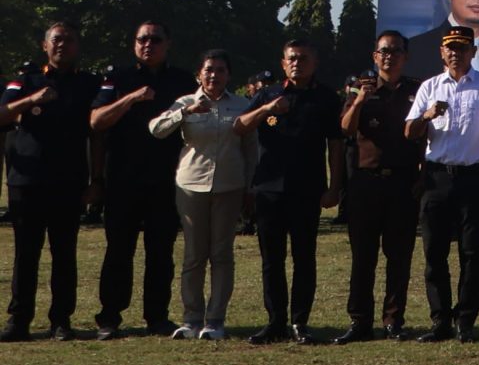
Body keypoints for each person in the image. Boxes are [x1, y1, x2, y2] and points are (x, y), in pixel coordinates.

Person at [1, 21, 102, 341]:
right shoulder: (25, 80)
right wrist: (31, 101)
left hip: (68, 182)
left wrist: (96, 179)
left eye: (69, 40)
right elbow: (2, 113)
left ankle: (61, 321)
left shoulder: (89, 84)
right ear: (45, 46)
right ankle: (19, 322)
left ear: (78, 46)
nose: (62, 45)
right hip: (27, 182)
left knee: (64, 253)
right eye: (56, 40)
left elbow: (98, 134)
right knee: (26, 254)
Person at [405, 26, 479, 342]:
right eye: (450, 48)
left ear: (473, 52)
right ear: (441, 52)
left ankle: (465, 321)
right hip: (436, 177)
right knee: (434, 252)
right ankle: (440, 320)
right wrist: (427, 115)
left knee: (471, 253)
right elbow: (410, 131)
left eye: (462, 48)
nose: (455, 53)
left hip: (473, 178)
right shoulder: (430, 87)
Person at [88, 20, 188, 340]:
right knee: (119, 250)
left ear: (168, 43)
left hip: (165, 179)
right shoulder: (117, 78)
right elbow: (96, 122)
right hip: (123, 178)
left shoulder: (183, 81)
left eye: (155, 39)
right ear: (134, 44)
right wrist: (130, 98)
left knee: (161, 252)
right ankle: (110, 317)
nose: (148, 45)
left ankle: (157, 317)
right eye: (142, 39)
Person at [241, 36, 342, 345]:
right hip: (269, 189)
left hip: (307, 189)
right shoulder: (267, 94)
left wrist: (335, 186)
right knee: (272, 259)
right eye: (292, 58)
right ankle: (275, 321)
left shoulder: (326, 98)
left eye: (304, 58)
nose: (297, 63)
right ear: (283, 63)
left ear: (315, 63)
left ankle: (300, 321)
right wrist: (267, 108)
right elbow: (240, 126)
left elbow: (335, 146)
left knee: (304, 257)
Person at [151, 49, 253, 340]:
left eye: (220, 70)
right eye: (209, 70)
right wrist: (184, 112)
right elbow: (156, 129)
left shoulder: (242, 105)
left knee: (221, 254)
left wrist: (249, 186)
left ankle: (215, 320)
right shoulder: (186, 102)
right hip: (191, 186)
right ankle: (191, 319)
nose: (214, 75)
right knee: (194, 255)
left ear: (228, 75)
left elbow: (250, 149)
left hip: (229, 186)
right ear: (200, 74)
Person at [335, 29, 423, 343]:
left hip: (402, 183)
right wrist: (360, 98)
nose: (389, 56)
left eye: (396, 51)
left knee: (399, 257)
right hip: (365, 183)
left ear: (405, 56)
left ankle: (393, 321)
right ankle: (359, 321)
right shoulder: (362, 89)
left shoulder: (417, 90)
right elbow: (345, 129)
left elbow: (427, 138)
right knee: (363, 257)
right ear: (375, 56)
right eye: (384, 51)